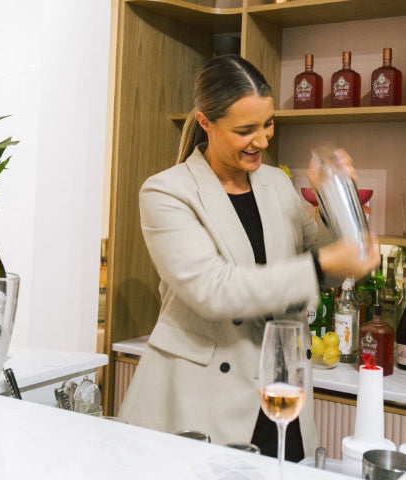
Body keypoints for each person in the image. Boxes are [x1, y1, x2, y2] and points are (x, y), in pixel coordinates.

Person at [118, 54, 380, 461]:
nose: (262, 140)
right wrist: (322, 264)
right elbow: (216, 291)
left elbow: (320, 266)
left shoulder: (275, 182)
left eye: (268, 123)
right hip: (199, 402)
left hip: (280, 391)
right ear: (206, 122)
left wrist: (334, 196)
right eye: (246, 130)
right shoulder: (166, 192)